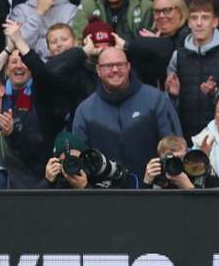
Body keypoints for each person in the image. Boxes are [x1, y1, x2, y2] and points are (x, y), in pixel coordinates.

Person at [72, 47, 182, 181]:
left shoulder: (157, 100)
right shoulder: (85, 111)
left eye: (120, 64)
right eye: (108, 66)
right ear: (98, 71)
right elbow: (79, 163)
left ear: (129, 66)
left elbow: (176, 149)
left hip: (153, 193)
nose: (115, 70)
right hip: (104, 196)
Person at [165, 0, 219, 139]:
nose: (199, 23)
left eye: (205, 18)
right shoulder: (178, 56)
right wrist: (173, 95)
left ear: (215, 22)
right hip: (185, 134)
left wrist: (215, 93)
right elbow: (169, 106)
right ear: (189, 22)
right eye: (194, 18)